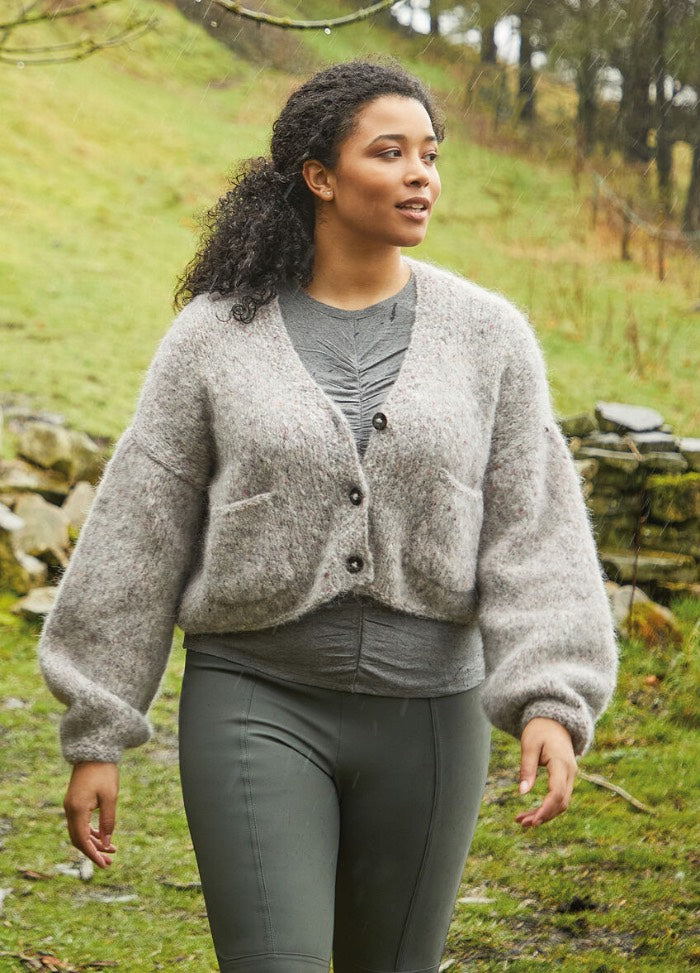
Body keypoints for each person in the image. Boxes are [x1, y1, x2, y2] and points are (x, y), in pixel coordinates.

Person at [39, 59, 618, 973]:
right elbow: (139, 530)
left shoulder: (489, 337)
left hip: (431, 717)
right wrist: (98, 727)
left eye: (431, 154)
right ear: (320, 175)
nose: (422, 173)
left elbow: (532, 525)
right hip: (253, 700)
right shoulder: (213, 337)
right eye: (390, 153)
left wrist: (550, 694)